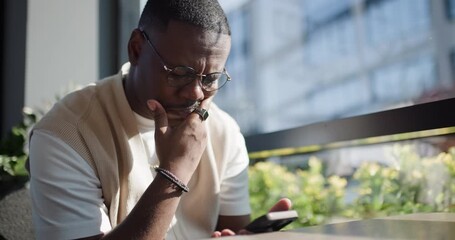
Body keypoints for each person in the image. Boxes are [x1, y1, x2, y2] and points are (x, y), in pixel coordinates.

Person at [27, 0, 291, 239]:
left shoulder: (224, 132)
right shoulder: (66, 134)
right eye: (180, 73)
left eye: (211, 78)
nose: (196, 92)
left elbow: (230, 227)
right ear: (136, 49)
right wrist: (175, 172)